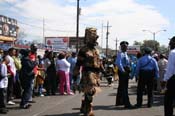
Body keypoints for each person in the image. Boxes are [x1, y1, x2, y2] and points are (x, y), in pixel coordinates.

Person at [73, 27, 103, 116]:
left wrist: (104, 71)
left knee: (90, 92)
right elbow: (78, 63)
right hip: (88, 73)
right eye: (93, 38)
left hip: (96, 73)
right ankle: (88, 108)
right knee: (90, 90)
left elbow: (99, 62)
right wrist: (75, 74)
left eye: (96, 38)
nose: (95, 40)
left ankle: (84, 104)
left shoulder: (96, 50)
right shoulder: (83, 50)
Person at [115, 41, 133, 109]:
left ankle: (119, 101)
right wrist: (123, 71)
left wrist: (129, 69)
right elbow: (118, 63)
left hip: (126, 70)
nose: (125, 47)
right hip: (123, 71)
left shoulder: (126, 54)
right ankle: (127, 104)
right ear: (121, 47)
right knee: (124, 88)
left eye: (126, 46)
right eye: (124, 46)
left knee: (121, 87)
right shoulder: (120, 54)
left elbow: (128, 63)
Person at [163, 36, 175, 116]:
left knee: (168, 101)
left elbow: (170, 69)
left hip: (173, 79)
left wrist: (164, 80)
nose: (169, 44)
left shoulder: (173, 52)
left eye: (170, 42)